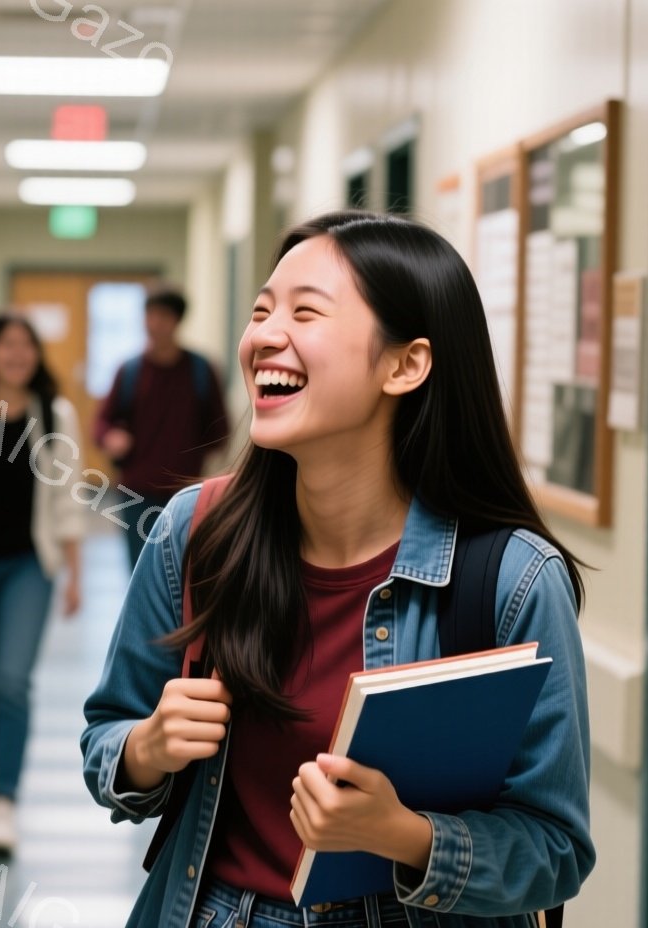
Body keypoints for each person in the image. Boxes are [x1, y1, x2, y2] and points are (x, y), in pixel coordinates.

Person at [81, 211, 595, 928]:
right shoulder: (195, 532)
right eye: (261, 310)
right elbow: (107, 735)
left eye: (305, 312)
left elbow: (556, 849)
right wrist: (148, 747)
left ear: (405, 364)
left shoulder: (513, 581)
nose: (264, 335)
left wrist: (405, 836)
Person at [0, 313, 86, 855]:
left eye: (26, 345)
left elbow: (66, 495)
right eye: (5, 343)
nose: (16, 353)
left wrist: (74, 573)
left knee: (10, 680)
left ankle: (4, 799)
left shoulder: (56, 414)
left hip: (31, 565)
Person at [93, 288, 230, 570]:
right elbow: (100, 424)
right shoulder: (130, 371)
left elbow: (220, 430)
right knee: (140, 571)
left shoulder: (201, 371)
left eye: (163, 316)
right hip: (135, 494)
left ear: (177, 321)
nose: (155, 323)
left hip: (186, 493)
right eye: (150, 316)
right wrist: (111, 436)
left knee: (182, 570)